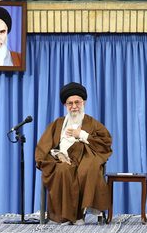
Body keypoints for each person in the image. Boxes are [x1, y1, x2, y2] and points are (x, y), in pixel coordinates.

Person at [35, 82, 112, 224]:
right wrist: (59, 155)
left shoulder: (93, 123)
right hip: (61, 161)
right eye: (70, 103)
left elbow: (105, 143)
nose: (74, 106)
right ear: (65, 105)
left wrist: (81, 134)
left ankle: (79, 214)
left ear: (84, 103)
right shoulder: (57, 124)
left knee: (86, 170)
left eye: (77, 102)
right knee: (62, 171)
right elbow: (44, 147)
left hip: (85, 159)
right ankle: (66, 215)